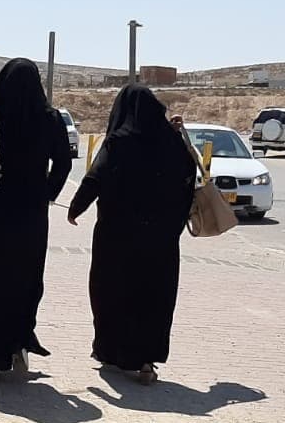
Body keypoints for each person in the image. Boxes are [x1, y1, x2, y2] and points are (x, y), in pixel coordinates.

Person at [66, 84, 196, 384]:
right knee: (154, 297)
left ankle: (112, 352)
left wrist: (75, 208)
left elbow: (96, 176)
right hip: (161, 240)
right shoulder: (172, 142)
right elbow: (187, 181)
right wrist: (172, 225)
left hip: (117, 236)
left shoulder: (120, 141)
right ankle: (146, 359)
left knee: (111, 292)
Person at [0, 59, 75, 377]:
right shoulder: (51, 120)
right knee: (26, 282)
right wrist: (46, 194)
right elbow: (63, 164)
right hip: (32, 219)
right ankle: (19, 341)